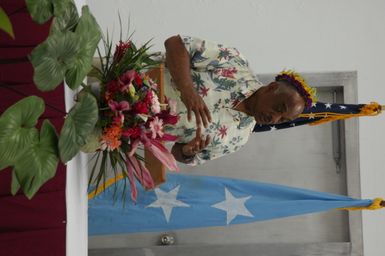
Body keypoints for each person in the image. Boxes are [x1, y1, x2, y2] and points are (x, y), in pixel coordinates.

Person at [163, 35, 317, 165]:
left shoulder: (237, 139)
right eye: (279, 108)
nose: (274, 118)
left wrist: (186, 152)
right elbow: (176, 43)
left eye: (282, 120)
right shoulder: (235, 63)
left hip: (141, 125)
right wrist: (187, 89)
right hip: (142, 83)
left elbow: (178, 153)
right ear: (272, 87)